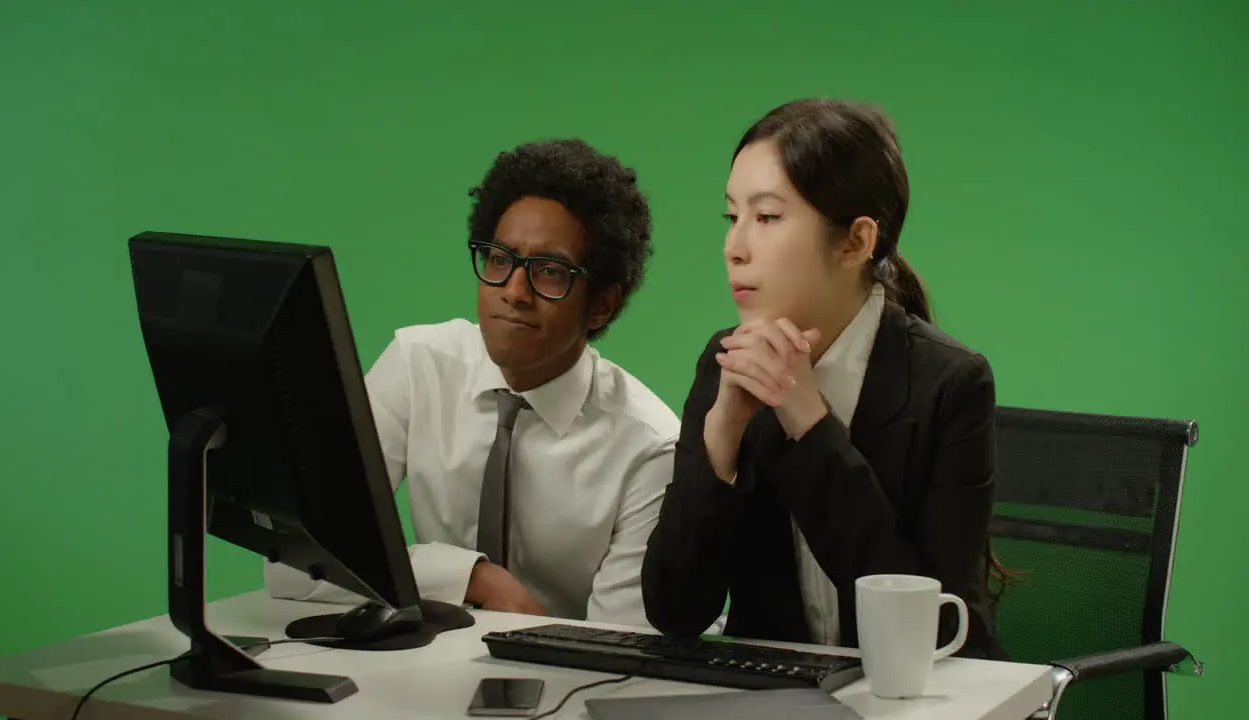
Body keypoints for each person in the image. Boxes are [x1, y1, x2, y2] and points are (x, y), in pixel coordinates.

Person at [640, 99, 1007, 659]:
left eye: (766, 218)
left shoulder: (951, 384)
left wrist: (808, 424)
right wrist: (721, 438)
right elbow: (675, 611)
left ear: (856, 242)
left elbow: (934, 635)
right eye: (731, 216)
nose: (733, 248)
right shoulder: (726, 361)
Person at [266, 138, 679, 629]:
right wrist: (470, 577)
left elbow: (625, 645)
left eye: (550, 272)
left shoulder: (649, 448)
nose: (514, 292)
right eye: (500, 259)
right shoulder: (418, 366)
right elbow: (295, 562)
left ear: (603, 305)